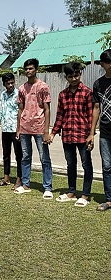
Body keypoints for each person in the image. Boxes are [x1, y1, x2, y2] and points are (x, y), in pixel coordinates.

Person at [50, 62, 93, 206]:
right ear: (66, 77)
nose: (74, 79)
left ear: (80, 74)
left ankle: (85, 194)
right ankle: (72, 191)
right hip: (67, 135)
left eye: (76, 75)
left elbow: (90, 116)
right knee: (71, 164)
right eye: (70, 76)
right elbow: (60, 116)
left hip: (83, 135)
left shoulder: (87, 92)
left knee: (86, 164)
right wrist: (53, 132)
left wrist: (91, 135)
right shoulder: (63, 95)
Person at [16, 58, 53, 199]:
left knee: (44, 158)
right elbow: (20, 109)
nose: (28, 71)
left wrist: (46, 131)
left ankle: (47, 187)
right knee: (25, 157)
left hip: (39, 127)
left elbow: (47, 109)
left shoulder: (43, 87)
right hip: (25, 128)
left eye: (30, 68)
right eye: (26, 69)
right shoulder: (21, 88)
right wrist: (18, 128)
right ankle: (25, 184)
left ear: (36, 69)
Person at [0, 73, 22, 188]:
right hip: (5, 129)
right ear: (4, 84)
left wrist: (20, 129)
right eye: (8, 83)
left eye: (12, 82)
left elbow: (21, 111)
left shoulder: (19, 94)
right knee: (6, 154)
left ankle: (19, 178)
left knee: (19, 155)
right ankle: (6, 177)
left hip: (16, 129)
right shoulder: (3, 94)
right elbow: (0, 111)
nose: (10, 85)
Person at [91, 49, 111, 211]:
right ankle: (109, 199)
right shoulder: (98, 83)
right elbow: (96, 108)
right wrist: (92, 133)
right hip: (105, 132)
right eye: (108, 62)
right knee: (107, 166)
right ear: (102, 64)